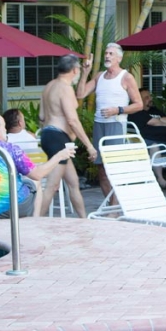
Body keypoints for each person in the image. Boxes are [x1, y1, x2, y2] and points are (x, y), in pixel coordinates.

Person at [76, 43, 142, 198]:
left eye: (111, 54)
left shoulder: (126, 77)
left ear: (119, 58)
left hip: (116, 124)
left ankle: (115, 207)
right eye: (106, 53)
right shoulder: (99, 76)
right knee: (101, 168)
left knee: (114, 167)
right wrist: (85, 72)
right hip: (100, 124)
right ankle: (110, 204)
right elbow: (80, 94)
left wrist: (117, 110)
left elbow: (139, 104)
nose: (107, 56)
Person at [39, 54, 95, 219]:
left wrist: (86, 73)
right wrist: (89, 145)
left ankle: (84, 220)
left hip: (50, 135)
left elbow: (42, 116)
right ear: (74, 70)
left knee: (73, 183)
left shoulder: (49, 86)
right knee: (52, 185)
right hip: (58, 138)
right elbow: (72, 120)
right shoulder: (65, 88)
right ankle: (33, 222)